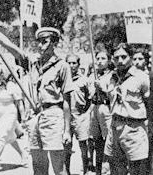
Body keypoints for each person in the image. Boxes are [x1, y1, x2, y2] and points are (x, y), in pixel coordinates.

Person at [0, 17, 73, 175]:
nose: (40, 45)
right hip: (35, 116)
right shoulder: (32, 64)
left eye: (45, 41)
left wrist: (67, 130)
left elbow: (67, 101)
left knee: (59, 167)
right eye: (39, 41)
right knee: (38, 164)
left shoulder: (62, 66)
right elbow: (9, 46)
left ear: (55, 43)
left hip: (54, 115)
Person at [102, 43, 149, 175]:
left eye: (124, 57)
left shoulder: (142, 78)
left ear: (131, 57)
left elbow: (149, 104)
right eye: (116, 58)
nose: (120, 61)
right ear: (112, 59)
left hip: (133, 128)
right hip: (115, 128)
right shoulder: (110, 78)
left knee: (137, 170)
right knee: (116, 169)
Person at [0, 63, 27, 174]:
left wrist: (23, 119)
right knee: (10, 137)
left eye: (0, 73)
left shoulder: (12, 86)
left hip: (10, 113)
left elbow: (20, 104)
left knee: (1, 137)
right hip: (0, 115)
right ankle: (23, 155)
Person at [64, 54, 92, 175]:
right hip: (66, 117)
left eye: (74, 63)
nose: (71, 65)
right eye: (69, 63)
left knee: (83, 146)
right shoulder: (63, 80)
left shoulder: (84, 80)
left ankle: (85, 171)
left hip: (81, 116)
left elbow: (91, 100)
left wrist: (86, 114)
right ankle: (67, 172)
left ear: (78, 65)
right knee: (66, 147)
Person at [88, 49, 113, 175]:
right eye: (98, 58)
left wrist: (103, 88)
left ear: (109, 60)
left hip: (106, 108)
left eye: (103, 58)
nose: (99, 61)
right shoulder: (93, 75)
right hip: (95, 107)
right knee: (96, 141)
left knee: (109, 140)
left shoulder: (112, 75)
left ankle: (108, 170)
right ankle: (98, 170)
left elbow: (113, 96)